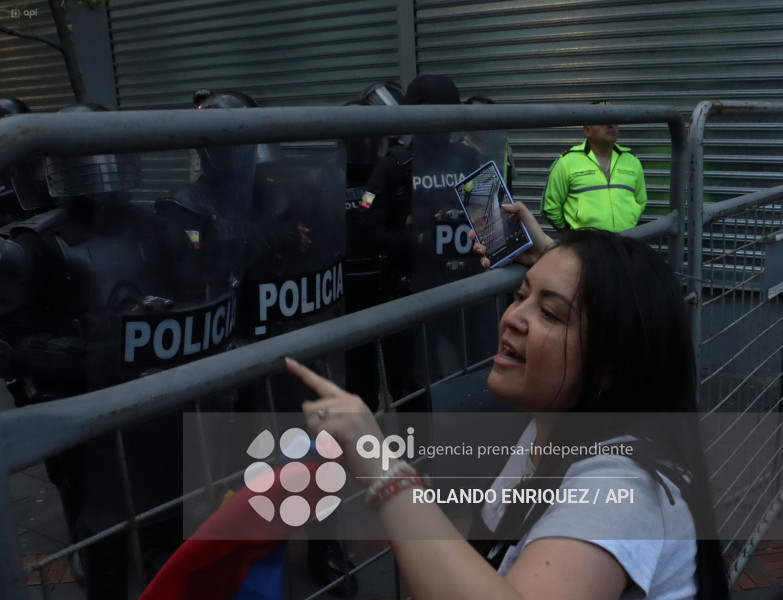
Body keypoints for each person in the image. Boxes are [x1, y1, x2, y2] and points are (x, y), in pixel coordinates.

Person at [285, 200, 729, 600]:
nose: (514, 317)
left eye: (549, 313)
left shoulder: (622, 489)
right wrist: (557, 265)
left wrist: (382, 469)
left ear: (611, 367)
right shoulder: (553, 425)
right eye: (520, 295)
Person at [541, 101, 647, 232]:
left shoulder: (632, 160)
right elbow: (550, 208)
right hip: (587, 248)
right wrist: (574, 236)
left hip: (626, 243)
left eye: (614, 119)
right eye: (603, 119)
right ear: (587, 130)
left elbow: (641, 202)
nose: (611, 124)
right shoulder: (567, 162)